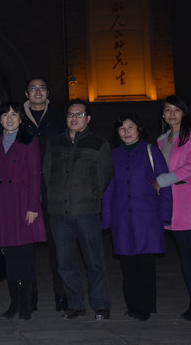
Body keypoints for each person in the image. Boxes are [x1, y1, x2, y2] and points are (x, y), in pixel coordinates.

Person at [43, 99, 112, 321]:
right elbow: (47, 174)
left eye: (79, 114)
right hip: (59, 214)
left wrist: (89, 196)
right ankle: (75, 305)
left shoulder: (98, 143)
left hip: (86, 213)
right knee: (65, 263)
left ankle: (101, 305)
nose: (74, 118)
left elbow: (104, 176)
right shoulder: (54, 143)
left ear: (88, 118)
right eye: (70, 114)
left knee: (94, 262)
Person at [102, 113, 173, 321]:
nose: (126, 132)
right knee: (127, 264)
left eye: (130, 127)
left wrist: (165, 214)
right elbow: (108, 189)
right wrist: (107, 219)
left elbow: (165, 185)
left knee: (145, 264)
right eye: (122, 128)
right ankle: (132, 305)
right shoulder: (114, 155)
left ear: (139, 129)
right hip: (122, 218)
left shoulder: (152, 151)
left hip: (147, 218)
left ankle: (145, 307)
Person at [0, 101, 47, 321]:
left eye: (14, 114)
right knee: (10, 257)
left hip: (23, 203)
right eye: (5, 115)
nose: (10, 118)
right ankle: (13, 303)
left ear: (21, 119)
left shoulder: (29, 140)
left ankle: (26, 304)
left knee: (25, 256)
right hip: (3, 204)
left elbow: (35, 175)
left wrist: (33, 207)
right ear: (0, 119)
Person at [154, 95, 191, 321]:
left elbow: (190, 167)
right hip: (172, 205)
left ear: (184, 113)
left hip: (190, 203)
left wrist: (161, 181)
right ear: (163, 115)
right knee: (185, 256)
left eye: (176, 110)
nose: (172, 114)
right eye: (168, 110)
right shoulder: (161, 141)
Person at [22, 78, 67, 311]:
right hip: (26, 195)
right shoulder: (17, 119)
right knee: (26, 250)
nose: (37, 92)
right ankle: (30, 297)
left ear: (48, 92)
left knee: (58, 249)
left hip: (54, 194)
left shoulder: (60, 118)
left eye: (42, 88)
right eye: (33, 88)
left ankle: (62, 295)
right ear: (26, 94)